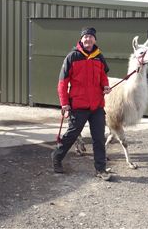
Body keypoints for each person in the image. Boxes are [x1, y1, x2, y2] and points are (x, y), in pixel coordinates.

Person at [51, 27, 112, 181]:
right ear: (81, 39)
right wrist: (64, 103)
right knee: (71, 135)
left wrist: (105, 86)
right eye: (85, 37)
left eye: (91, 37)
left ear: (95, 40)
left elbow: (103, 76)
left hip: (97, 105)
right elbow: (62, 83)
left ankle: (101, 169)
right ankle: (57, 157)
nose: (88, 39)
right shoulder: (72, 57)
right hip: (78, 105)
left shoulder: (99, 57)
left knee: (98, 137)